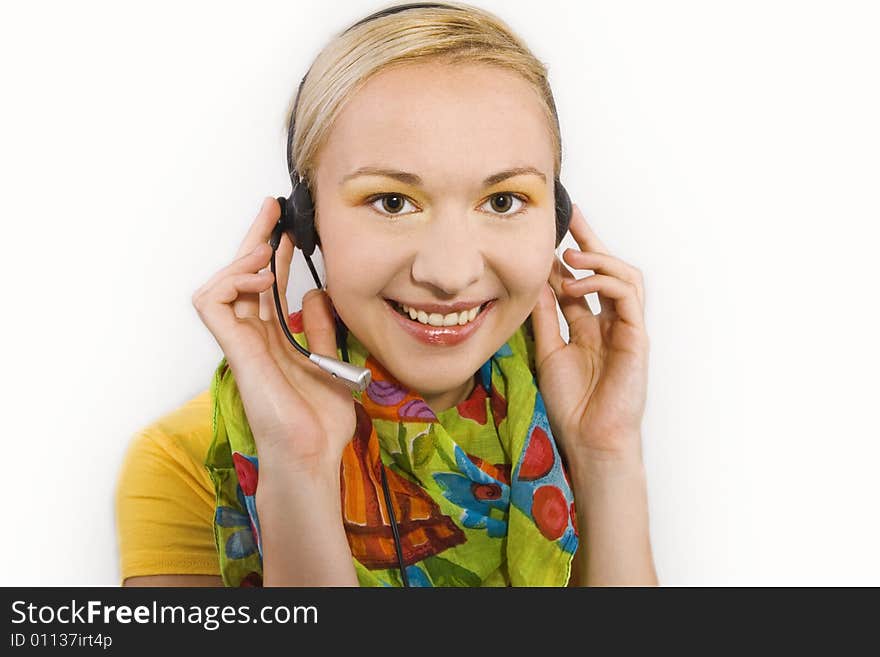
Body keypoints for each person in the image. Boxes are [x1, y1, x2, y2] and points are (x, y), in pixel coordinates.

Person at [115, 1, 657, 587]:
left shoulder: (571, 415)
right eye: (393, 202)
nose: (450, 273)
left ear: (555, 218)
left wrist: (606, 458)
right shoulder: (188, 457)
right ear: (305, 222)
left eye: (502, 201)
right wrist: (298, 469)